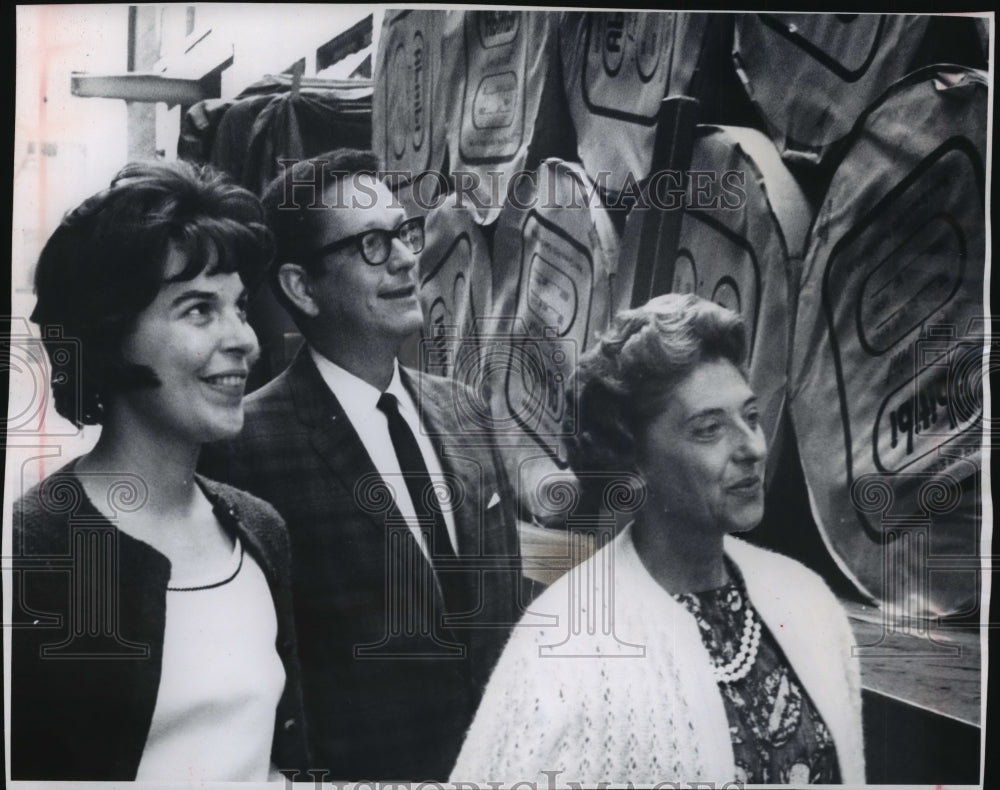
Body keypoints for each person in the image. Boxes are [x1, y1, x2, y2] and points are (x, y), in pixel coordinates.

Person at [199, 149, 523, 781]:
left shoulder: (463, 410)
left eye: (404, 232)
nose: (407, 257)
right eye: (373, 244)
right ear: (301, 287)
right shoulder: (243, 446)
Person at [450, 293, 865, 785]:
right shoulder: (560, 644)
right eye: (709, 429)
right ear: (634, 458)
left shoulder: (807, 598)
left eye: (751, 417)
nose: (752, 447)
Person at [11, 161, 309, 781]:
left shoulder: (261, 530)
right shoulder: (31, 553)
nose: (244, 340)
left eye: (240, 307)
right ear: (111, 336)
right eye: (198, 310)